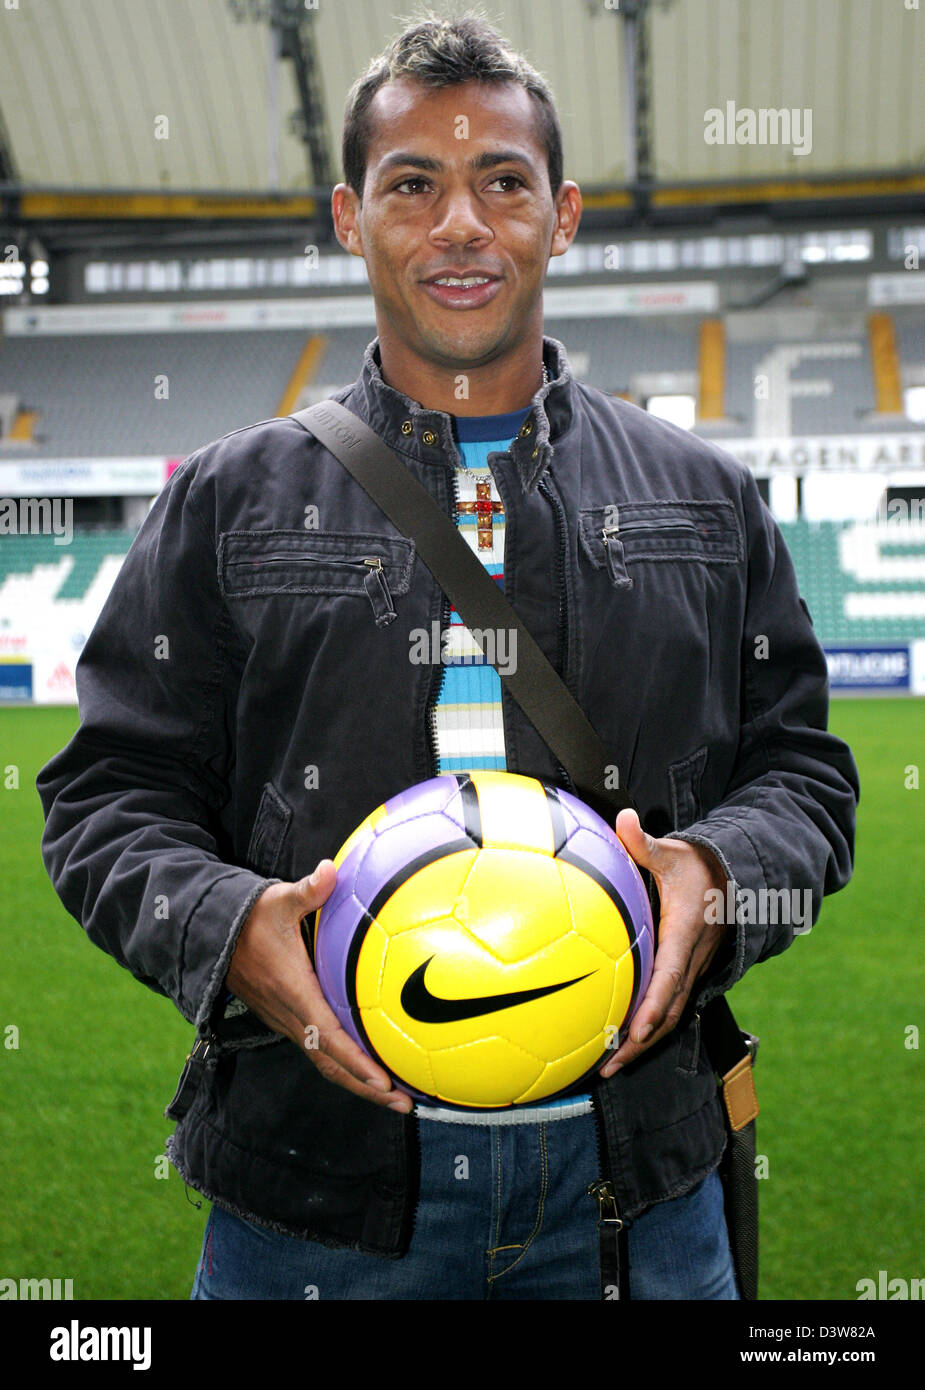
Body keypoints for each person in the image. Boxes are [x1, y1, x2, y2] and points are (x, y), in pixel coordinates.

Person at [37, 10, 858, 1301]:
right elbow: (102, 795)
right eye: (411, 184)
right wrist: (225, 921)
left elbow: (804, 774)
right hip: (313, 1191)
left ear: (563, 213)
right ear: (349, 217)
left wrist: (716, 869)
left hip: (633, 1187)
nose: (460, 224)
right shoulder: (227, 497)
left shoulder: (701, 493)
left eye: (501, 183)